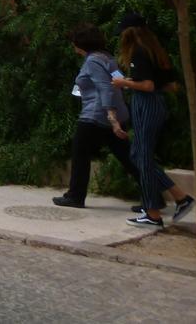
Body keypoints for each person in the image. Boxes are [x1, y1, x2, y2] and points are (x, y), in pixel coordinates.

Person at [113, 14, 195, 229]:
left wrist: (124, 82)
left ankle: (153, 213)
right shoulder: (155, 51)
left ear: (130, 32)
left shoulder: (138, 52)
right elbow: (170, 85)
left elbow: (147, 85)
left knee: (141, 157)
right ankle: (179, 197)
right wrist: (136, 82)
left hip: (146, 104)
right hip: (157, 104)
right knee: (138, 155)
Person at [53, 25, 140, 209]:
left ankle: (75, 196)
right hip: (116, 112)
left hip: (95, 114)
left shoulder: (92, 61)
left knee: (80, 153)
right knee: (127, 156)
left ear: (80, 44)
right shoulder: (108, 58)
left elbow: (105, 88)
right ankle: (153, 194)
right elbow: (120, 82)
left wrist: (112, 118)